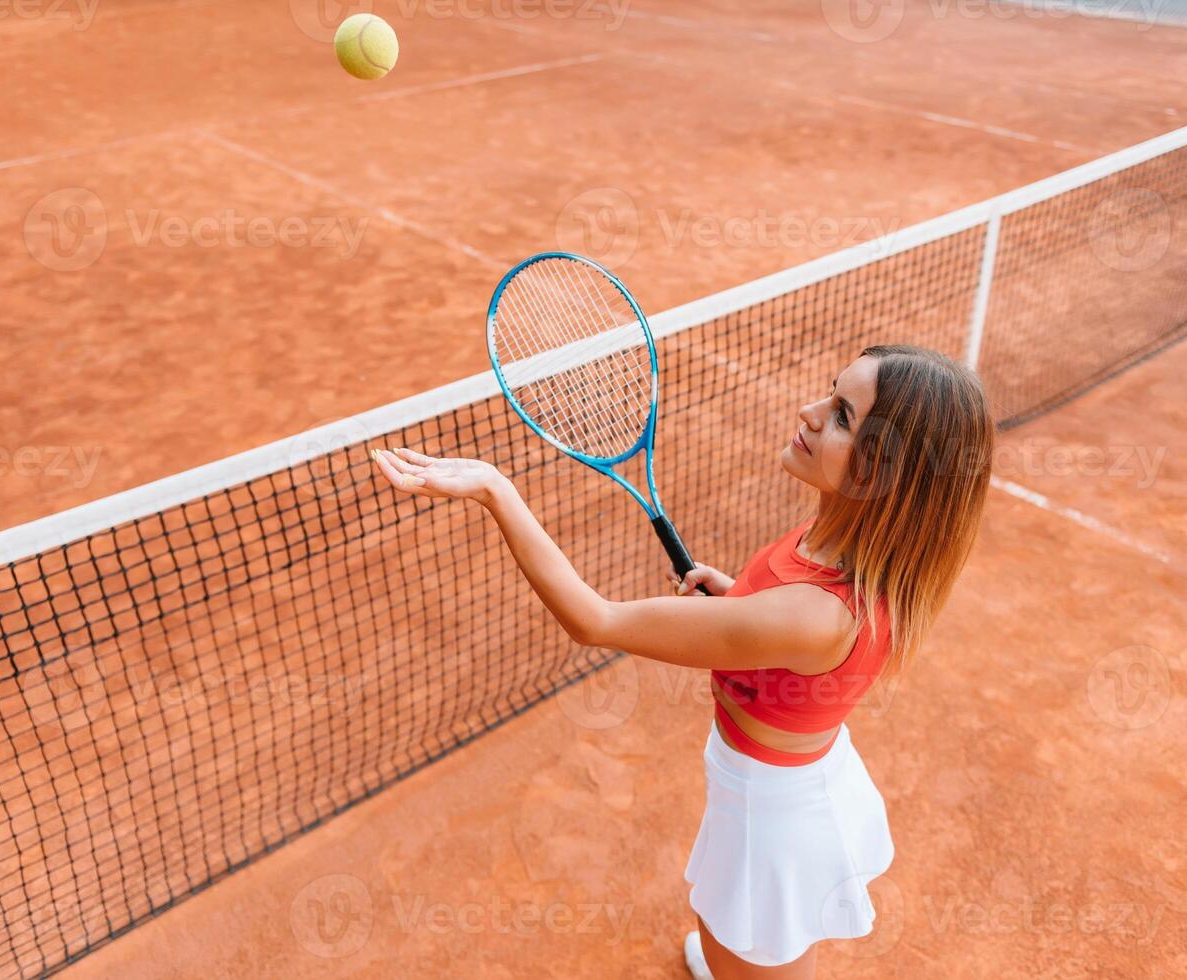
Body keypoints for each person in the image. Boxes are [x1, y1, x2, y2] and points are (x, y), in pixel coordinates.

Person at [370, 344, 994, 978]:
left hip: (770, 817)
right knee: (770, 940)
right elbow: (794, 632)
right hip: (800, 777)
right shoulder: (848, 540)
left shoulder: (816, 615)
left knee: (744, 947)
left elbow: (595, 621)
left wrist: (495, 488)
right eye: (830, 393)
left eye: (840, 415)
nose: (807, 412)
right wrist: (738, 603)